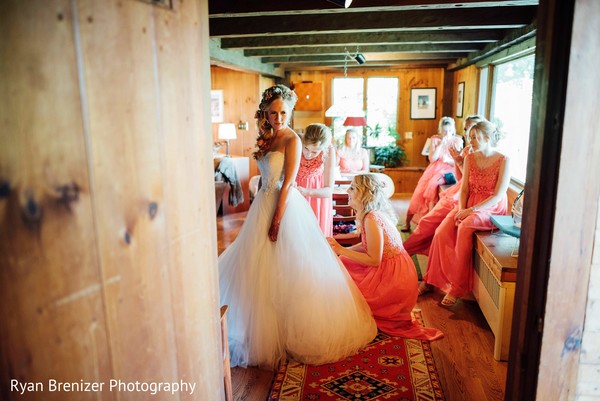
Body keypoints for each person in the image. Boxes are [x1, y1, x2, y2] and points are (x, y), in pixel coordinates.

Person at [218, 84, 377, 370]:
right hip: (262, 205)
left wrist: (277, 219)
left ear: (290, 112)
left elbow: (288, 184)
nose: (278, 118)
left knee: (290, 268)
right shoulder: (266, 136)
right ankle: (258, 329)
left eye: (283, 113)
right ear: (265, 113)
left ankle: (291, 332)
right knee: (256, 268)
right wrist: (261, 209)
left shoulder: (293, 139)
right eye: (273, 112)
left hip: (285, 206)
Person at [327, 174, 443, 341]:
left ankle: (360, 310)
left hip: (394, 279)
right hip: (395, 269)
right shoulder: (371, 214)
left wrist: (341, 250)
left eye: (352, 188)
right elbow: (367, 246)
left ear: (364, 193)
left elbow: (374, 260)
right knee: (343, 262)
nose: (347, 190)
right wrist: (339, 250)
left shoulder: (372, 219)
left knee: (347, 277)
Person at [419, 120, 510, 306]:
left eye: (475, 137)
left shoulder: (504, 160)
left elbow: (499, 194)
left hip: (491, 207)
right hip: (468, 203)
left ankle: (457, 288)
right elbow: (465, 190)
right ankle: (431, 280)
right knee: (440, 232)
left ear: (487, 137)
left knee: (465, 227)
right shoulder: (470, 158)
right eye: (470, 137)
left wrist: (470, 210)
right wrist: (460, 209)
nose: (471, 141)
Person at [403, 115, 484, 256]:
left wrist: (456, 161)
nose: (468, 134)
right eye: (466, 130)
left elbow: (472, 181)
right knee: (427, 221)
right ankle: (406, 249)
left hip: (468, 193)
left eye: (471, 131)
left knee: (439, 228)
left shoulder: (485, 154)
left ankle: (413, 249)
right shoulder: (465, 150)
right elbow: (461, 179)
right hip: (457, 185)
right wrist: (458, 160)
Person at [401, 116, 463, 232]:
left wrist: (448, 160)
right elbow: (432, 159)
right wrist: (441, 145)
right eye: (444, 130)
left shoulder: (457, 140)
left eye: (449, 130)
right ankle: (407, 222)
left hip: (450, 169)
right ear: (441, 130)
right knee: (419, 192)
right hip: (434, 168)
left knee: (433, 186)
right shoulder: (435, 139)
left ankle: (428, 222)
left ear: (453, 129)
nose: (447, 133)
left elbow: (459, 161)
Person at [295, 123, 336, 236]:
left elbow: (328, 190)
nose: (308, 154)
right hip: (295, 195)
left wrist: (306, 191)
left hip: (317, 199)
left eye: (314, 152)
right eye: (306, 148)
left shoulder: (329, 151)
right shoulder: (296, 141)